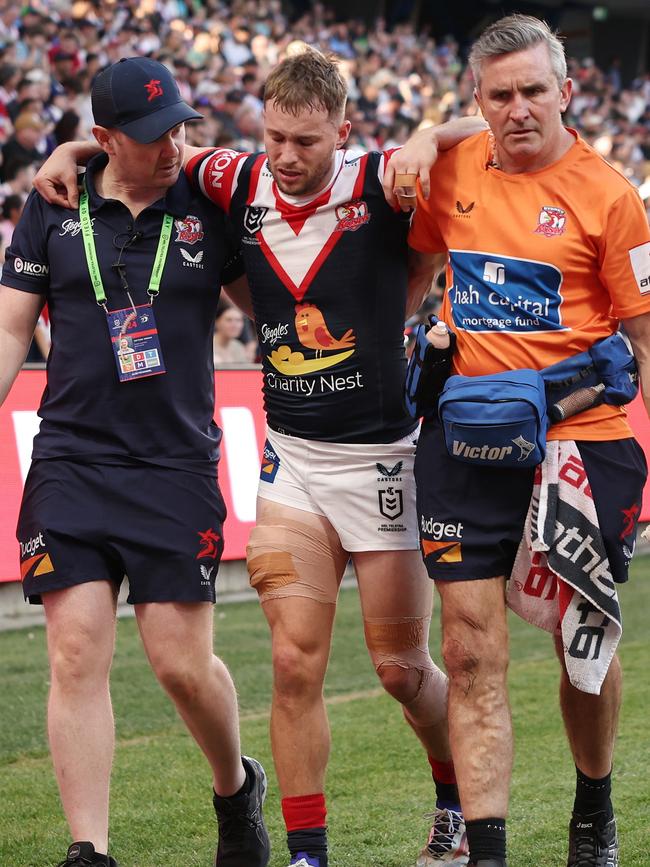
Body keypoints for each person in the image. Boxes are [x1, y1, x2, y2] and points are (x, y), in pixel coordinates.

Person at [34, 47, 485, 867]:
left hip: (384, 458)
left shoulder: (387, 181)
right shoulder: (233, 180)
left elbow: (503, 128)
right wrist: (70, 151)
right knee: (290, 660)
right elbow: (131, 149)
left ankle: (453, 800)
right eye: (274, 136)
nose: (285, 156)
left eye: (306, 142)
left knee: (398, 667)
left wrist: (432, 132)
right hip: (293, 459)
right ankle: (306, 853)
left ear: (343, 134)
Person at [389, 14, 650, 867]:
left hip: (583, 440)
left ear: (565, 93)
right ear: (478, 102)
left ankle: (594, 808)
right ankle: (490, 848)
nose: (518, 108)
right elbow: (418, 270)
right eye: (499, 95)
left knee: (582, 647)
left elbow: (646, 339)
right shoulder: (451, 169)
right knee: (466, 647)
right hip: (466, 436)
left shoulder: (612, 197)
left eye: (535, 90)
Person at [0, 57, 270, 867]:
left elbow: (266, 308)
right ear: (108, 138)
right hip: (72, 459)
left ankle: (235, 784)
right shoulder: (51, 206)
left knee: (181, 666)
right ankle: (90, 848)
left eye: (181, 126)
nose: (173, 145)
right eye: (153, 136)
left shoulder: (206, 204)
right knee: (76, 652)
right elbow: (15, 329)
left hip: (175, 465)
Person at [213, 298, 249, 365]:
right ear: (217, 322)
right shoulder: (208, 347)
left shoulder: (239, 347)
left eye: (238, 320)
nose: (234, 325)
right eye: (229, 320)